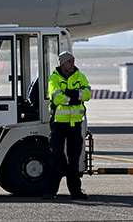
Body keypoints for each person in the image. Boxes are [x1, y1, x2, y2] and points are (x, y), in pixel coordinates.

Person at [43, 51, 92, 200]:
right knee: (56, 157)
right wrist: (76, 97)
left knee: (74, 159)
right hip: (58, 125)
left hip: (75, 124)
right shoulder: (54, 78)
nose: (72, 64)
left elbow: (88, 94)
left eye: (73, 61)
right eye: (70, 61)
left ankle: (75, 191)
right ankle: (51, 191)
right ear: (62, 63)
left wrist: (69, 95)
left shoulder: (79, 76)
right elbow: (57, 97)